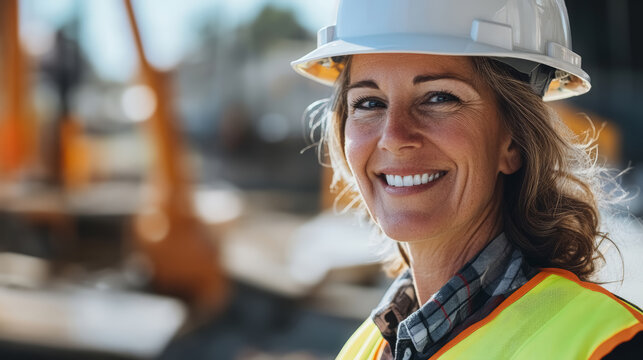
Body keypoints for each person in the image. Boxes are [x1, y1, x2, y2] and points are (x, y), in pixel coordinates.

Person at [291, 0, 642, 359]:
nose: (394, 137)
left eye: (439, 97)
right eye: (368, 103)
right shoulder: (361, 350)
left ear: (513, 141)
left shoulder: (611, 346)